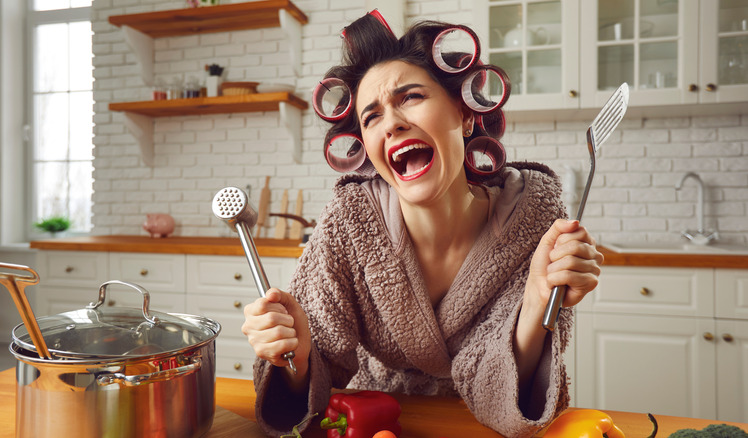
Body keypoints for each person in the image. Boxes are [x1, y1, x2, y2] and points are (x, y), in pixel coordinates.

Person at [241, 11, 604, 438]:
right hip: (376, 423)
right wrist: (296, 355)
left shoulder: (535, 222)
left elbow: (517, 379)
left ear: (466, 115)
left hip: (484, 427)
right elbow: (313, 376)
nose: (391, 122)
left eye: (410, 97)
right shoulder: (349, 223)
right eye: (371, 117)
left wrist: (540, 301)